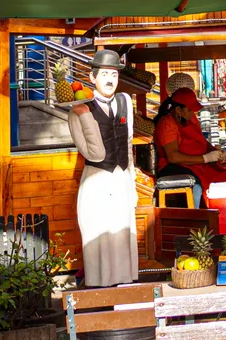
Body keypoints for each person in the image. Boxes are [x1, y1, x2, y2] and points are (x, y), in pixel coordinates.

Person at [67, 49, 139, 287]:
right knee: (100, 236)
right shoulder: (76, 111)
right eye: (105, 74)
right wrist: (85, 115)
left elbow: (127, 143)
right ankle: (101, 291)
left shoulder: (125, 101)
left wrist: (132, 183)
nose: (110, 79)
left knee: (121, 231)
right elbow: (95, 153)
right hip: (97, 181)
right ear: (92, 77)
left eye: (114, 74)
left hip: (120, 178)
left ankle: (125, 288)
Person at [153, 87, 226, 205]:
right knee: (197, 186)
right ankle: (198, 218)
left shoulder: (191, 118)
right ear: (178, 110)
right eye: (190, 110)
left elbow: (201, 141)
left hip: (199, 165)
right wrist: (206, 158)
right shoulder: (167, 124)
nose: (193, 113)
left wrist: (215, 151)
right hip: (177, 167)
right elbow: (173, 157)